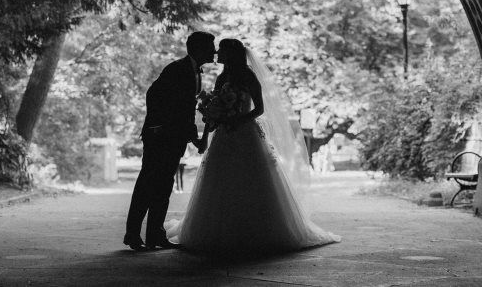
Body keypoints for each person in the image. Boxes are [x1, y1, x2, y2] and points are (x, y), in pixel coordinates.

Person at [166, 38, 340, 256]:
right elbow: (215, 109)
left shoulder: (248, 76)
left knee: (251, 180)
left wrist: (239, 120)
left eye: (221, 50)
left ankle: (258, 231)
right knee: (221, 182)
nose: (217, 53)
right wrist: (206, 134)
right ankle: (217, 231)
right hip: (223, 135)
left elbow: (259, 108)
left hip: (245, 133)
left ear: (231, 53)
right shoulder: (221, 78)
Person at [124, 31, 216, 251]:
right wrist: (159, 126)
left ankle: (156, 234)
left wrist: (191, 135)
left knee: (164, 187)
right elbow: (153, 95)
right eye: (211, 47)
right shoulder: (176, 69)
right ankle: (133, 234)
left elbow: (186, 110)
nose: (214, 51)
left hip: (174, 138)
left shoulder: (194, 72)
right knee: (147, 184)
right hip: (160, 137)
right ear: (199, 49)